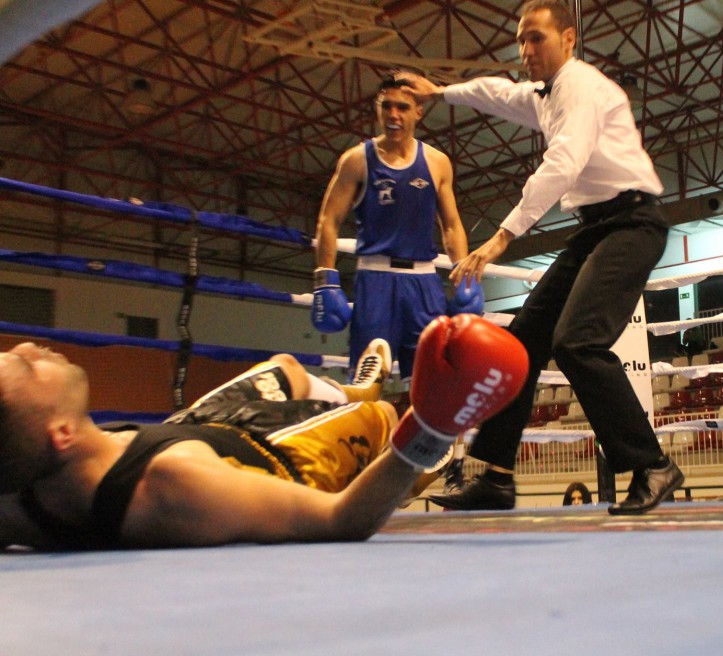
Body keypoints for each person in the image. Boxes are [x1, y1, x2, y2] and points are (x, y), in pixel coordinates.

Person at [398, 0, 683, 516]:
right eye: (522, 39)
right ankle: (497, 479)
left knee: (577, 343)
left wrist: (502, 237)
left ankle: (652, 465)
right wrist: (440, 91)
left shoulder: (583, 87)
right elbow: (497, 93)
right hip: (597, 228)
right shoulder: (545, 93)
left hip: (634, 224)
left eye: (537, 38)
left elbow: (564, 163)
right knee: (521, 346)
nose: (526, 49)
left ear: (569, 39)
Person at [0, 315, 528, 550]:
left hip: (189, 429)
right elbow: (341, 520)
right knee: (387, 421)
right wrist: (432, 425)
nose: (27, 348)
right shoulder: (175, 484)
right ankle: (372, 409)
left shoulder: (24, 497)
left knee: (286, 367)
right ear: (61, 433)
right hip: (279, 457)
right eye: (24, 370)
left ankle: (351, 391)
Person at [311, 77, 481, 380]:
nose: (393, 115)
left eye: (402, 107)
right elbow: (328, 220)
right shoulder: (356, 160)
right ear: (377, 110)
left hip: (424, 283)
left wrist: (463, 278)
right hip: (375, 280)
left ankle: (431, 430)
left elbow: (452, 225)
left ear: (418, 112)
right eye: (386, 106)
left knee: (433, 380)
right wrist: (325, 280)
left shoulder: (437, 162)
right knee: (367, 381)